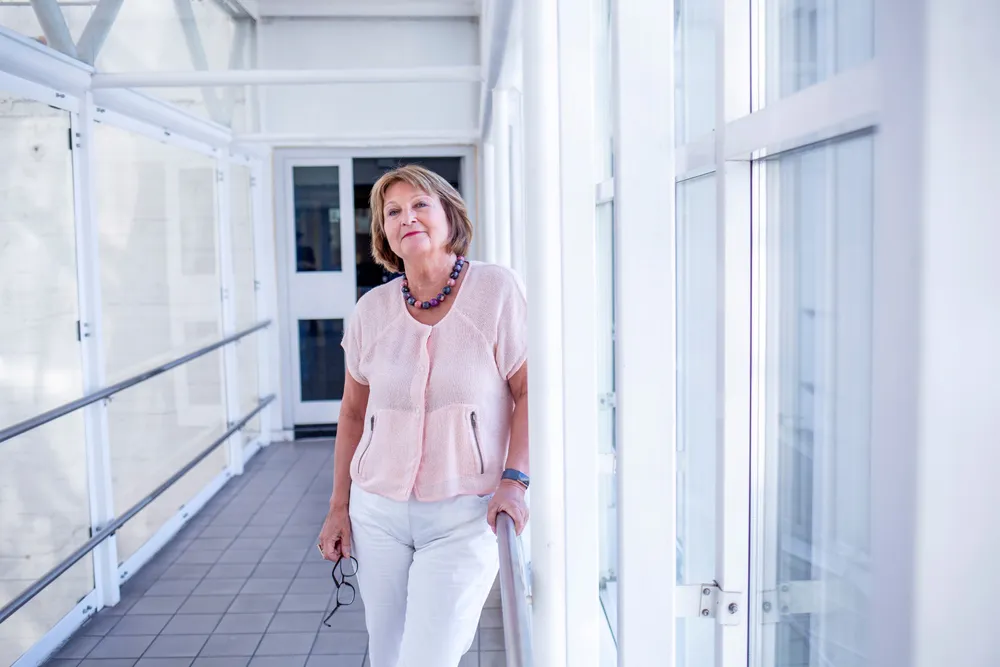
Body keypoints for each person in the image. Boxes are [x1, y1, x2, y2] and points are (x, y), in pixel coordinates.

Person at [317, 164, 530, 667]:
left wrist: (515, 481)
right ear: (384, 232)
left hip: (463, 514)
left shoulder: (496, 290)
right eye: (392, 212)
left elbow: (528, 392)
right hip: (377, 513)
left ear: (449, 214)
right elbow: (352, 413)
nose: (406, 217)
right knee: (388, 653)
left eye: (419, 204)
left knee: (428, 657)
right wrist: (338, 506)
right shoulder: (371, 309)